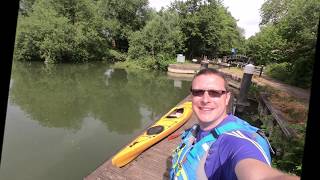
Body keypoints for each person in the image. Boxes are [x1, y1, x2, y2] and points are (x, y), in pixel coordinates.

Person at [170, 68, 299, 180]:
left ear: (226, 98)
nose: (205, 100)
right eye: (198, 92)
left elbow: (259, 172)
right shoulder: (196, 130)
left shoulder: (235, 141)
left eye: (214, 93)